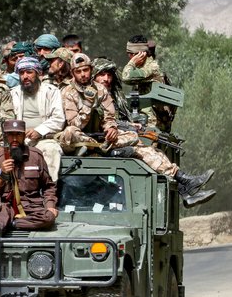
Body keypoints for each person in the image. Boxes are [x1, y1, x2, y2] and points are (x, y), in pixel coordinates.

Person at [60, 53, 215, 208]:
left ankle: (184, 182)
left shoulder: (101, 90)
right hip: (82, 139)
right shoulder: (68, 92)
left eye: (85, 70)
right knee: (70, 132)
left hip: (103, 139)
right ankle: (185, 185)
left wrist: (111, 128)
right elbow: (75, 123)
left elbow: (109, 117)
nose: (83, 75)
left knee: (138, 142)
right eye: (78, 72)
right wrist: (88, 103)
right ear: (73, 73)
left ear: (90, 70)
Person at [0, 120, 58, 232]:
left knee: (49, 217)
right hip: (7, 207)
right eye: (11, 135)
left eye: (18, 134)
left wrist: (50, 206)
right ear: (5, 136)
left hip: (32, 206)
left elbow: (48, 186)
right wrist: (2, 173)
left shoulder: (35, 156)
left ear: (24, 135)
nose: (15, 139)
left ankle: (12, 224)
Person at [10, 56, 66, 181]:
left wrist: (39, 131)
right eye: (22, 73)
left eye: (29, 72)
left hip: (44, 139)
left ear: (38, 73)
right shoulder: (13, 93)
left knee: (52, 150)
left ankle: (49, 191)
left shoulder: (51, 91)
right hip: (19, 140)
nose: (25, 76)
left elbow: (58, 119)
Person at [120, 35, 174, 131]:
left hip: (154, 125)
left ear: (141, 54)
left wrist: (132, 63)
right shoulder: (142, 68)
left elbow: (125, 77)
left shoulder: (151, 68)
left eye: (131, 54)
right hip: (146, 122)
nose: (130, 57)